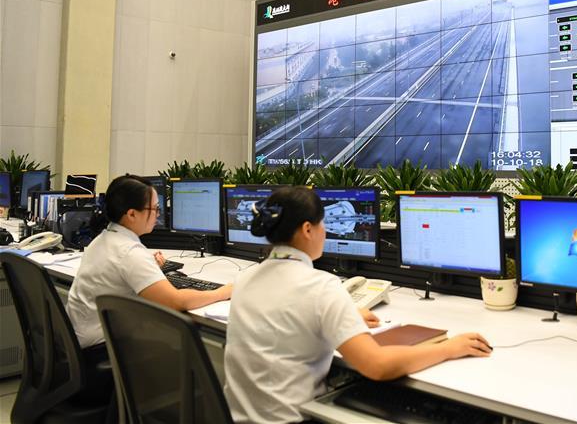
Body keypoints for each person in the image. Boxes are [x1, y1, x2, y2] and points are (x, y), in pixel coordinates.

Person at [224, 186, 492, 423]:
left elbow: (287, 318)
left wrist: (342, 318)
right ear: (307, 229)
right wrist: (449, 348)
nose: (325, 231)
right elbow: (377, 366)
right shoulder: (320, 287)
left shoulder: (245, 278)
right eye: (322, 224)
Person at [66, 174, 232, 353]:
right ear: (132, 214)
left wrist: (148, 268)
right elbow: (174, 301)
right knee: (179, 343)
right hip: (99, 347)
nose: (158, 214)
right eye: (155, 209)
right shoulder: (129, 252)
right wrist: (222, 292)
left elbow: (120, 271)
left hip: (79, 338)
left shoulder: (104, 239)